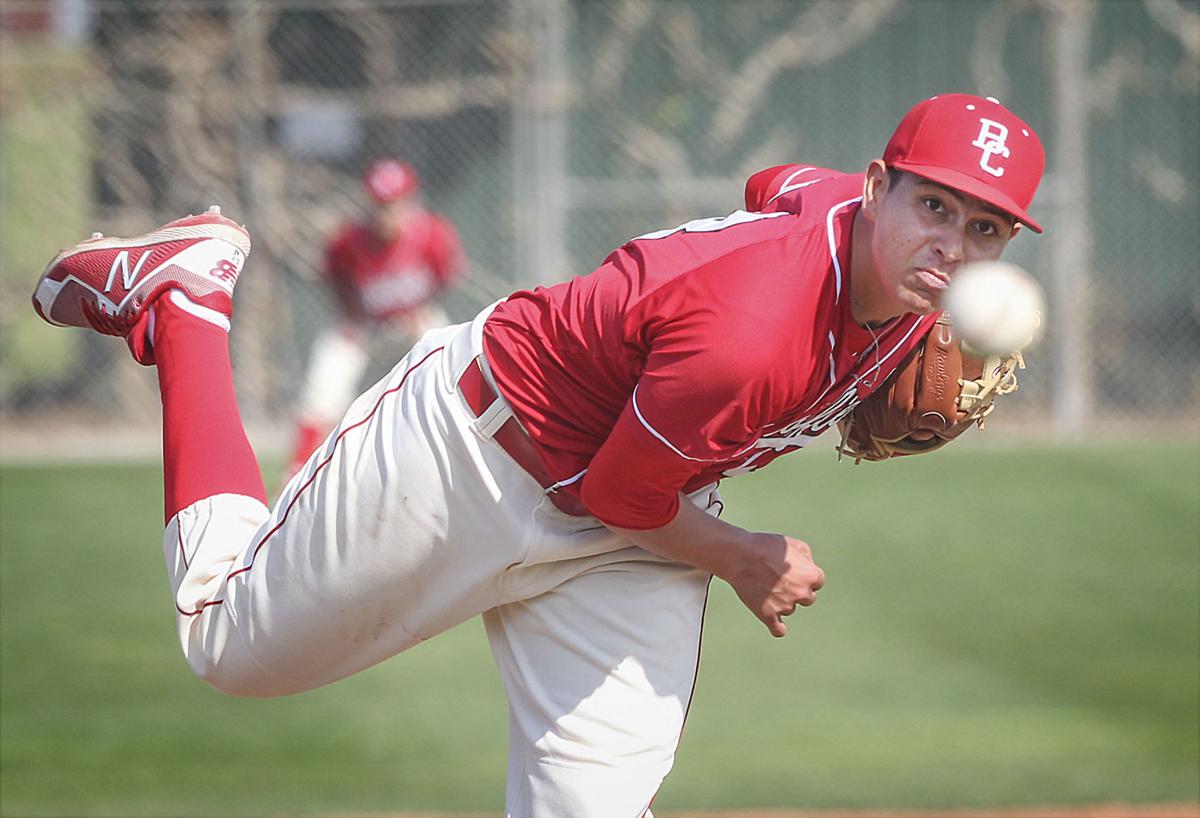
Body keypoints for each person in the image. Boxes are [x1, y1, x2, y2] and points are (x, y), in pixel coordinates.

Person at [31, 93, 1044, 816]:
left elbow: (776, 182)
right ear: (877, 186)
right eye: (932, 206)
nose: (950, 246)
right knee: (229, 645)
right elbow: (621, 491)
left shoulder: (895, 273)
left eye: (984, 227)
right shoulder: (752, 333)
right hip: (476, 455)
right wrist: (746, 557)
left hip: (629, 525)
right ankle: (185, 295)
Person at [282, 158, 466, 482]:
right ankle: (298, 471)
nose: (386, 213)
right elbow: (336, 284)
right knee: (326, 377)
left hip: (414, 317)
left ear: (410, 201)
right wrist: (353, 317)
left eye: (394, 204)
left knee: (449, 361)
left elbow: (444, 278)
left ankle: (460, 454)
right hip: (366, 321)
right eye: (380, 204)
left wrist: (421, 308)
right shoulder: (346, 243)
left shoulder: (434, 235)